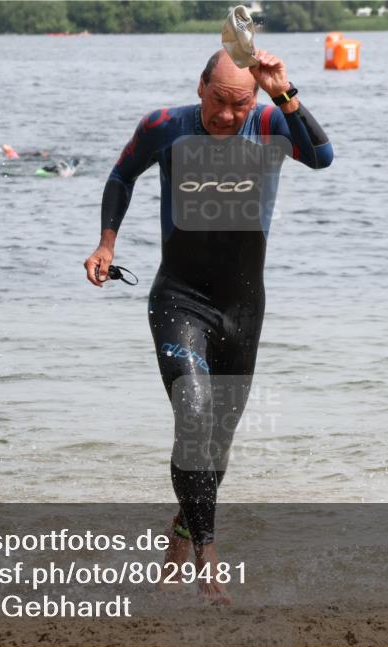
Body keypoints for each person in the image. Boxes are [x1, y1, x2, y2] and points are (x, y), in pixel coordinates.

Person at [82, 48, 333, 604]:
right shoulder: (164, 126)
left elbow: (321, 156)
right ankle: (208, 562)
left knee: (216, 444)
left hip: (243, 310)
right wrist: (106, 243)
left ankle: (181, 533)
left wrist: (281, 91)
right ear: (200, 89)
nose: (226, 116)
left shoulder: (268, 121)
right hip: (180, 299)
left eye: (238, 104)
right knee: (193, 415)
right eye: (219, 101)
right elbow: (122, 174)